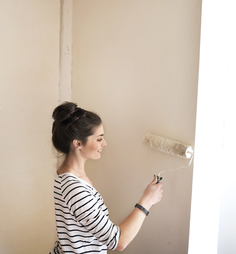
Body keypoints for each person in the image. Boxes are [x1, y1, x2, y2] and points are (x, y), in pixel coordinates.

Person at [50, 102, 163, 253]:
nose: (105, 143)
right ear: (78, 143)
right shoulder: (75, 188)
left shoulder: (65, 174)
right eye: (99, 139)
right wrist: (147, 201)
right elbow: (119, 242)